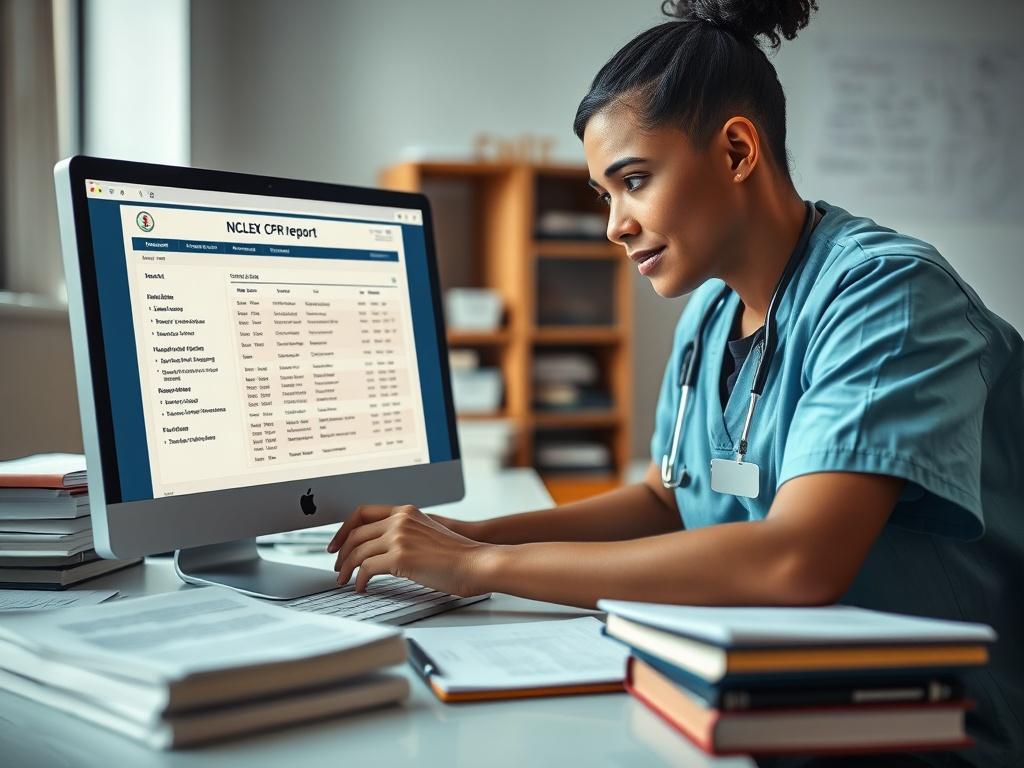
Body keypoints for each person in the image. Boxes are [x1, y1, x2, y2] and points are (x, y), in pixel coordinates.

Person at [328, 1, 1023, 764]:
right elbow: (669, 500)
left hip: (924, 733)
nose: (614, 224)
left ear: (734, 151)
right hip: (766, 701)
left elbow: (798, 559)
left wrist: (477, 567)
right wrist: (466, 534)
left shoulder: (887, 296)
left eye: (633, 180)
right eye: (604, 194)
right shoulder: (712, 312)